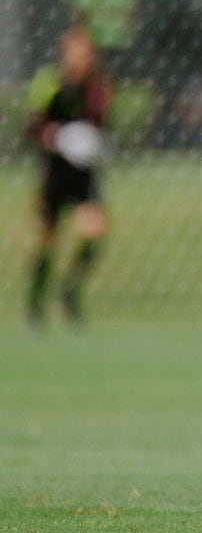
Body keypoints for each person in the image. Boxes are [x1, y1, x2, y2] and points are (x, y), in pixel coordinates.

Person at [25, 26, 112, 329]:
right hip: (55, 173)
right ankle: (35, 304)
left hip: (83, 175)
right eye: (77, 52)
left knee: (94, 233)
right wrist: (54, 136)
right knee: (47, 242)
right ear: (64, 54)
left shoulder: (97, 87)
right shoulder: (48, 82)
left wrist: (93, 142)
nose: (83, 58)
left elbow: (101, 123)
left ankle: (70, 292)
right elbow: (33, 125)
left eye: (88, 53)